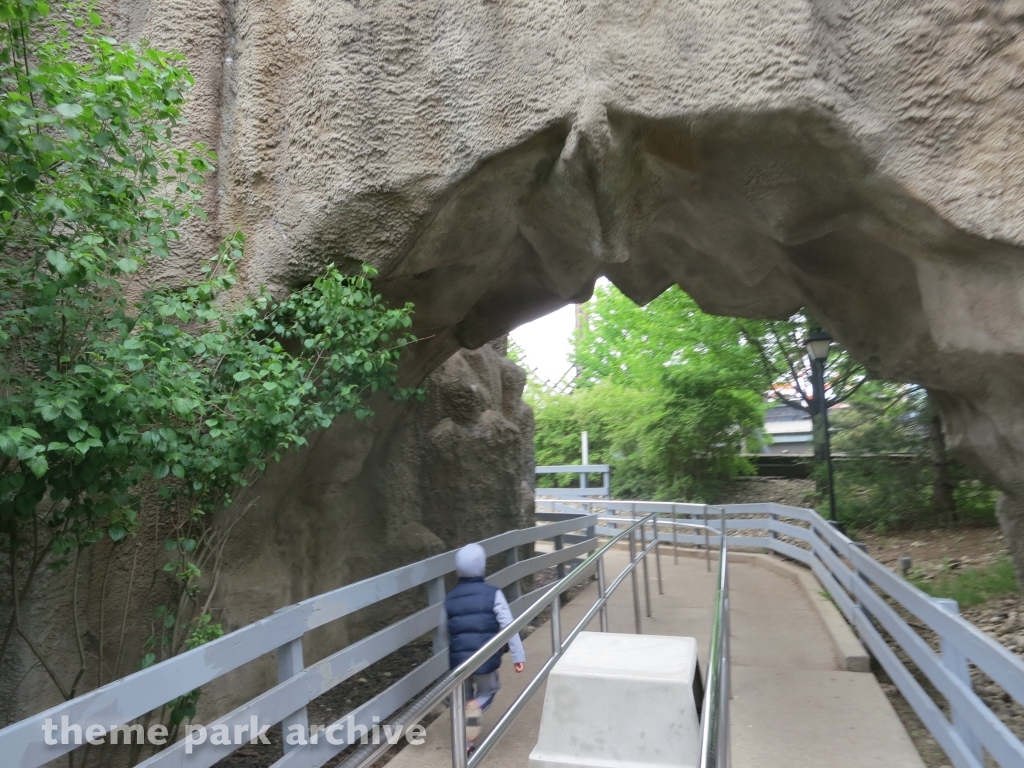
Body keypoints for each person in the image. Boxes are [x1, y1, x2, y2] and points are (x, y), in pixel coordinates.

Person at [441, 542, 525, 750]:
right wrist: (518, 655)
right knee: (488, 691)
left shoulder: (449, 598)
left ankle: (469, 742)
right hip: (485, 658)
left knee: (466, 696)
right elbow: (508, 626)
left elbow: (444, 630)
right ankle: (477, 708)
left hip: (460, 661)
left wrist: (454, 649)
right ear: (482, 566)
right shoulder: (493, 593)